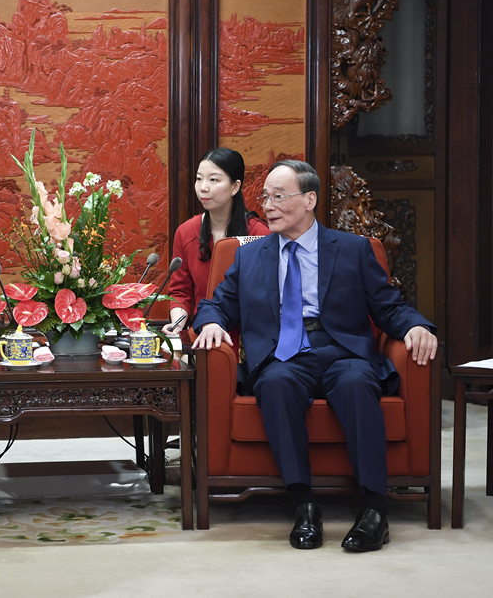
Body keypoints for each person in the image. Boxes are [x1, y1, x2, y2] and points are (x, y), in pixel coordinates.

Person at [192, 159, 437, 553]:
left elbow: (389, 305)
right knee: (275, 383)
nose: (268, 206)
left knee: (358, 383)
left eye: (279, 196)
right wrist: (210, 325)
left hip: (342, 350)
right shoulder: (249, 256)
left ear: (309, 200)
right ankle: (304, 505)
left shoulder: (353, 249)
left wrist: (416, 327)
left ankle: (374, 510)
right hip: (283, 354)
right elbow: (217, 305)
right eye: (265, 197)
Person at [163, 147, 269, 342]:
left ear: (235, 187)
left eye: (213, 180)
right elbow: (181, 292)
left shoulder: (260, 234)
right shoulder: (186, 232)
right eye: (199, 179)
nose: (203, 187)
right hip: (202, 333)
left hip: (249, 338)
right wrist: (177, 325)